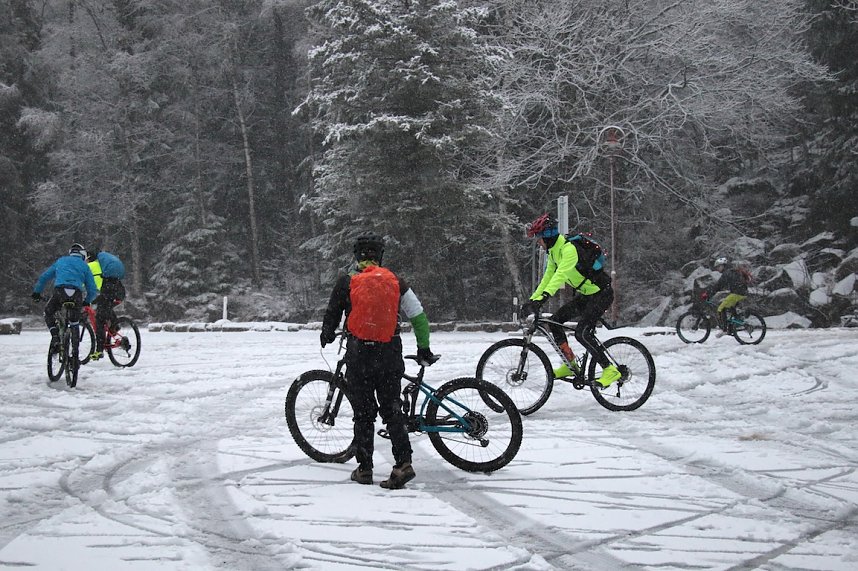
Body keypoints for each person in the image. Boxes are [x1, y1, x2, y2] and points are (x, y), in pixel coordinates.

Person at [320, 234, 436, 490]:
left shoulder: (347, 282)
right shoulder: (395, 282)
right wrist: (423, 348)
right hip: (389, 352)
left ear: (356, 256)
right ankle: (403, 464)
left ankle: (364, 469)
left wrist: (326, 335)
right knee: (392, 409)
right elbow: (418, 316)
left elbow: (331, 314)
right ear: (380, 256)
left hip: (359, 354)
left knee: (363, 414)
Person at [521, 213, 621, 387]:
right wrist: (533, 300)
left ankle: (610, 370)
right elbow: (548, 278)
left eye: (539, 238)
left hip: (602, 294)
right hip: (588, 295)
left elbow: (560, 276)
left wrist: (543, 298)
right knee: (555, 322)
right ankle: (571, 364)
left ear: (547, 236)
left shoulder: (568, 249)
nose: (538, 242)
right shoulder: (553, 253)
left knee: (582, 333)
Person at [32, 243, 99, 350]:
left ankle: (55, 336)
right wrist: (87, 301)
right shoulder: (84, 266)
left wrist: (37, 292)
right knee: (74, 322)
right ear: (82, 254)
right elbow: (92, 288)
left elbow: (44, 277)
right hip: (76, 294)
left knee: (48, 312)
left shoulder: (61, 261)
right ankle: (75, 356)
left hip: (60, 292)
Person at [86, 250, 127, 360]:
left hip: (110, 291)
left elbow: (88, 281)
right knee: (105, 307)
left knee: (99, 317)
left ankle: (99, 350)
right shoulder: (104, 264)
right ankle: (115, 326)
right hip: (117, 290)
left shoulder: (94, 265)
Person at [704, 256, 750, 337]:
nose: (717, 269)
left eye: (718, 267)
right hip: (741, 292)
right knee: (730, 306)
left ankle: (725, 329)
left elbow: (718, 285)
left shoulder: (727, 273)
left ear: (723, 266)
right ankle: (732, 327)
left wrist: (708, 294)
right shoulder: (732, 271)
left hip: (738, 293)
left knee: (721, 308)